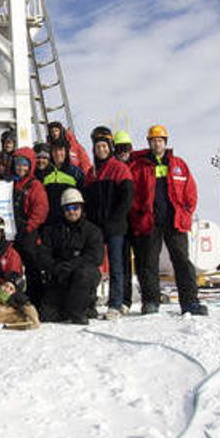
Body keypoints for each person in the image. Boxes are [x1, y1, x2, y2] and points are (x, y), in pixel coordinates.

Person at [129, 125, 207, 316]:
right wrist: (138, 213)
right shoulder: (139, 167)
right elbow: (132, 194)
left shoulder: (178, 164)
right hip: (150, 222)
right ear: (149, 143)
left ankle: (190, 302)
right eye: (153, 140)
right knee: (148, 262)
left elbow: (191, 191)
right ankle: (150, 302)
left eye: (160, 140)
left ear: (165, 142)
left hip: (175, 222)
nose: (157, 143)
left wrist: (186, 212)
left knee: (182, 261)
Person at [19, 188, 103, 324]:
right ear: (63, 210)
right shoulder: (53, 230)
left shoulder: (92, 231)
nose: (72, 212)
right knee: (47, 316)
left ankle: (79, 311)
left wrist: (73, 265)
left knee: (84, 274)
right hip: (60, 273)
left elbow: (95, 256)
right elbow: (43, 253)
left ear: (81, 208)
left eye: (75, 207)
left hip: (82, 274)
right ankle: (74, 307)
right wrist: (55, 267)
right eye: (68, 208)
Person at [82, 126, 134, 319]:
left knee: (116, 266)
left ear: (110, 147)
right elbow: (86, 200)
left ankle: (115, 303)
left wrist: (116, 219)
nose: (101, 150)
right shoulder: (91, 173)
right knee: (92, 265)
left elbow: (126, 198)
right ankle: (89, 303)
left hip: (115, 227)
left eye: (104, 146)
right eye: (98, 146)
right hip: (96, 228)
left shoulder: (119, 169)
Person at [113, 129, 135, 311]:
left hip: (138, 221)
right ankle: (124, 300)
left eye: (125, 148)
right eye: (119, 148)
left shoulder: (138, 166)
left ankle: (144, 299)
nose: (122, 152)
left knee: (143, 264)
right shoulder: (113, 169)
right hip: (121, 224)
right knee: (121, 262)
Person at [39, 137, 84, 226]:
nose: (58, 154)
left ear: (66, 152)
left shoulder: (75, 172)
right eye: (54, 151)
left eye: (61, 150)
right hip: (50, 222)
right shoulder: (44, 173)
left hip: (70, 220)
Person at [12, 146, 49, 240]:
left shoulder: (35, 185)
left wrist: (28, 227)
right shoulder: (10, 183)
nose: (21, 168)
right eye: (18, 165)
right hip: (11, 229)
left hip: (27, 232)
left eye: (24, 165)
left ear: (30, 167)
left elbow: (41, 209)